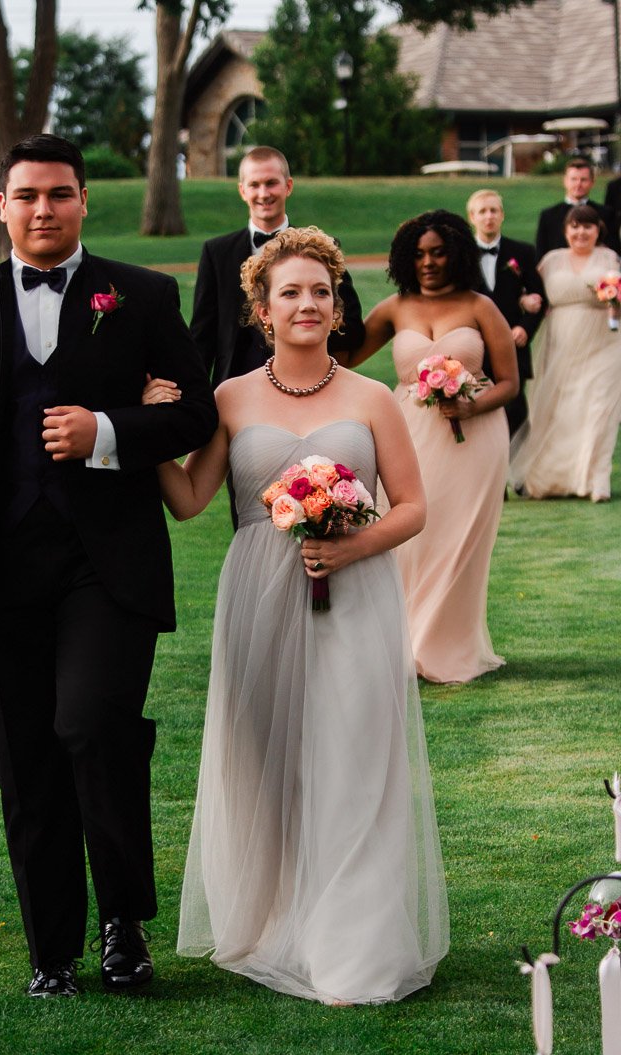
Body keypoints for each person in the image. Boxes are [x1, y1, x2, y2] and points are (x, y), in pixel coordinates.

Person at [0, 135, 218, 998]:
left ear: (83, 202)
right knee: (26, 761)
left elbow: (196, 413)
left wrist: (108, 433)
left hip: (104, 565)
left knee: (92, 727)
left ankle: (123, 926)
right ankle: (51, 952)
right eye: (27, 194)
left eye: (60, 194)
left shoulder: (141, 295)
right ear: (2, 205)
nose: (44, 209)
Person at [144, 227, 449, 1005]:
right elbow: (188, 502)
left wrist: (351, 549)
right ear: (261, 309)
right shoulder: (230, 397)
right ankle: (278, 917)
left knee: (353, 757)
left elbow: (412, 507)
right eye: (292, 292)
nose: (309, 303)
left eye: (322, 290)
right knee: (267, 767)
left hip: (356, 593)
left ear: (337, 303)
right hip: (258, 596)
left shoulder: (372, 398)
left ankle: (355, 946)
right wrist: (147, 433)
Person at [353, 211, 519, 685]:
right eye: (419, 254)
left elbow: (509, 382)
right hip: (408, 435)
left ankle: (441, 648)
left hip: (476, 438)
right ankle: (400, 642)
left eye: (438, 252)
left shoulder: (480, 307)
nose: (428, 262)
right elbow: (344, 356)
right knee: (409, 538)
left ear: (457, 253)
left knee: (457, 539)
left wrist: (472, 406)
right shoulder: (394, 308)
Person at [184, 146, 365, 528]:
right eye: (255, 184)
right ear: (242, 190)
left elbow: (353, 327)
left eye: (271, 183)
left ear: (288, 186)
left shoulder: (322, 251)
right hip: (243, 399)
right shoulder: (216, 252)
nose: (264, 192)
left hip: (312, 394)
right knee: (252, 509)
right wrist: (195, 402)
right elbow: (201, 336)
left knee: (320, 494)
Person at [509, 205, 621, 503]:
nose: (581, 232)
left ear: (598, 230)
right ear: (566, 230)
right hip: (561, 345)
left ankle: (596, 480)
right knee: (559, 411)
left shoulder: (609, 258)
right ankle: (551, 480)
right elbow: (528, 292)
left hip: (605, 345)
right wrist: (526, 300)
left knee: (599, 410)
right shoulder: (550, 261)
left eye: (588, 227)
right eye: (575, 227)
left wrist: (615, 300)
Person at [467, 189, 545, 436]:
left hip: (513, 346)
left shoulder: (523, 252)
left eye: (494, 210)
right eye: (482, 211)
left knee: (516, 412)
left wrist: (525, 327)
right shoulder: (460, 255)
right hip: (475, 348)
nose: (488, 216)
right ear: (472, 217)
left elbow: (540, 298)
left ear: (502, 215)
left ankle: (512, 467)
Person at [535, 158, 618, 259]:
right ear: (565, 181)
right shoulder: (548, 215)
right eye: (574, 179)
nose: (578, 184)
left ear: (592, 182)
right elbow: (541, 254)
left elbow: (614, 251)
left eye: (583, 179)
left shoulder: (606, 214)